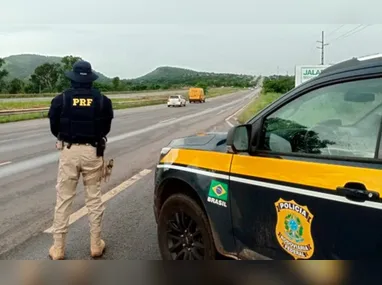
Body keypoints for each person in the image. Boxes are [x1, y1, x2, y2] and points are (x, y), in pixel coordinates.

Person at [47, 60, 114, 260]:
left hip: (69, 151)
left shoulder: (61, 99)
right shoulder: (103, 101)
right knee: (94, 198)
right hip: (93, 152)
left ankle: (58, 248)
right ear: (90, 79)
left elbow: (54, 127)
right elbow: (106, 128)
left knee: (63, 200)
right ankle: (95, 245)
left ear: (73, 79)